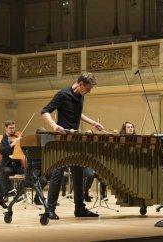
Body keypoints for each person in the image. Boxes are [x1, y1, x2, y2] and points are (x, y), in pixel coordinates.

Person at [41, 72, 104, 219]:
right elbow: (45, 111)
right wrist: (54, 126)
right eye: (88, 88)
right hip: (62, 140)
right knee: (58, 173)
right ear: (80, 84)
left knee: (78, 173)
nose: (89, 91)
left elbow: (78, 114)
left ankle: (79, 208)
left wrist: (93, 122)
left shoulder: (80, 96)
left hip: (75, 139)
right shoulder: (63, 94)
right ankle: (50, 209)